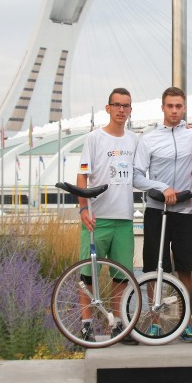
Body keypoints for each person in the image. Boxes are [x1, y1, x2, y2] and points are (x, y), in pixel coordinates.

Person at [133, 87, 192, 342]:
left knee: (186, 269)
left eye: (179, 106)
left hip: (185, 212)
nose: (174, 110)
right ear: (162, 108)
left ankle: (184, 321)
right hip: (156, 210)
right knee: (155, 267)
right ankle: (155, 320)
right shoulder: (148, 139)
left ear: (184, 108)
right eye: (170, 106)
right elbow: (137, 176)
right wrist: (163, 188)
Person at [76, 87, 138, 345]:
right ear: (108, 108)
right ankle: (86, 325)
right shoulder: (94, 139)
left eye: (126, 105)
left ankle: (119, 325)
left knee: (121, 275)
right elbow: (82, 175)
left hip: (123, 218)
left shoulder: (135, 140)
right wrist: (82, 209)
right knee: (88, 274)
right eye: (117, 105)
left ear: (130, 110)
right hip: (97, 217)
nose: (121, 110)